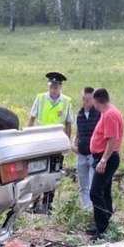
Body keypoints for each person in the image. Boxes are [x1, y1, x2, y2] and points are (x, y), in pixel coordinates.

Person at [27, 71, 74, 212]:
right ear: (49, 86)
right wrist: (26, 138)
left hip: (56, 144)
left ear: (60, 87)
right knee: (37, 172)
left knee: (54, 172)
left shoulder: (67, 101)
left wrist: (67, 143)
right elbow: (31, 118)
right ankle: (34, 203)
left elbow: (68, 123)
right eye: (51, 86)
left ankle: (48, 204)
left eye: (56, 86)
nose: (53, 89)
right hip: (40, 142)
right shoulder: (40, 98)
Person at [88, 87, 124, 240]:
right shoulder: (108, 113)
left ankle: (102, 229)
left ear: (97, 102)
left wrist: (103, 160)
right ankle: (103, 224)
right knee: (104, 192)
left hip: (106, 158)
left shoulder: (109, 114)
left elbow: (112, 139)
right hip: (103, 157)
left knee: (95, 193)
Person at [73, 86, 101, 210]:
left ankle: (92, 211)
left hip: (94, 154)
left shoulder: (99, 114)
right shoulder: (79, 115)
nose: (86, 102)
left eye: (89, 100)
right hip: (81, 153)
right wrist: (73, 144)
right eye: (84, 99)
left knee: (91, 185)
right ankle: (86, 210)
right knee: (83, 186)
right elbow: (78, 133)